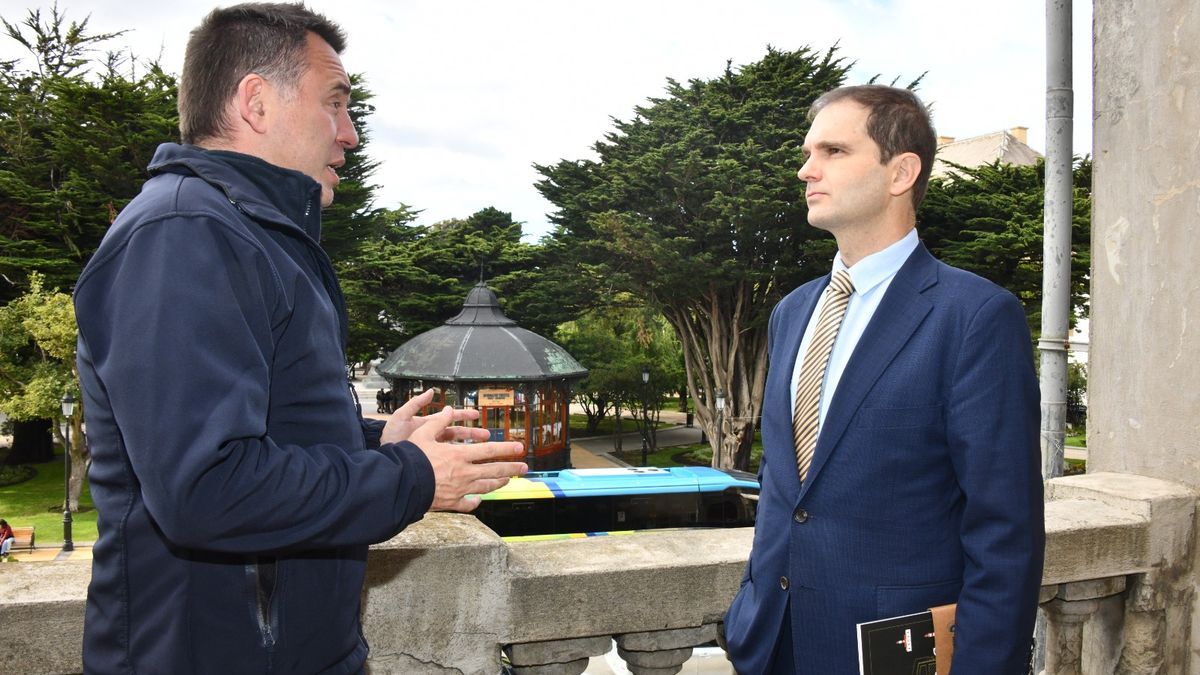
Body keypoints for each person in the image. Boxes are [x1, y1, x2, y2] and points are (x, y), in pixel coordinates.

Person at [73, 4, 527, 673]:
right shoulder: (182, 235)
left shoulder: (246, 234)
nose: (350, 135)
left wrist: (374, 442)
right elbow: (208, 487)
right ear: (255, 101)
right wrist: (410, 476)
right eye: (335, 103)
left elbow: (260, 427)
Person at [723, 85, 1044, 673]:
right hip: (772, 642)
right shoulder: (793, 311)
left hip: (897, 654)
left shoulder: (974, 316)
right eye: (807, 152)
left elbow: (1005, 529)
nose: (805, 170)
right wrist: (750, 605)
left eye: (833, 152)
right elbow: (784, 484)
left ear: (901, 172)